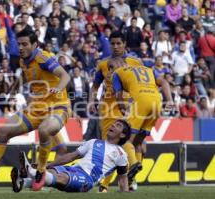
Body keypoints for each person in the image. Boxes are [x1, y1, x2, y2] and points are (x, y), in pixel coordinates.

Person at [0, 29, 70, 191]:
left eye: (25, 44)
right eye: (19, 44)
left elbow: (65, 76)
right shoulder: (23, 61)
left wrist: (59, 89)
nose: (21, 47)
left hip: (58, 108)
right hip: (35, 110)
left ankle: (41, 172)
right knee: (3, 132)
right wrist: (20, 91)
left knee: (45, 130)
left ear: (35, 45)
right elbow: (29, 79)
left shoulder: (43, 58)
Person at [88, 31, 143, 192]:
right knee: (111, 148)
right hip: (108, 109)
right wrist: (91, 101)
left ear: (125, 44)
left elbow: (141, 84)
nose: (116, 46)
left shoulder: (135, 62)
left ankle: (131, 169)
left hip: (127, 107)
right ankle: (112, 182)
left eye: (119, 43)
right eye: (113, 43)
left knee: (126, 143)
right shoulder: (103, 64)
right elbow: (95, 86)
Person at [11, 120, 131, 193]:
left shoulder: (121, 154)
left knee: (61, 177)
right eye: (114, 124)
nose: (113, 125)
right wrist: (47, 165)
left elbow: (123, 177)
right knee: (51, 171)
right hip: (73, 168)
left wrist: (125, 193)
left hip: (87, 179)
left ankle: (30, 171)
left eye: (118, 125)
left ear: (123, 135)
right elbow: (71, 156)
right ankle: (23, 181)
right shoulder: (94, 142)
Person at [112, 56, 174, 189]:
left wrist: (124, 109)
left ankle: (134, 164)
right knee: (138, 142)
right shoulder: (148, 69)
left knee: (124, 139)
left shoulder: (117, 73)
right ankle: (132, 180)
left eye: (111, 67)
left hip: (140, 101)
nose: (111, 70)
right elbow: (164, 82)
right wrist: (170, 100)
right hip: (156, 102)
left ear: (119, 64)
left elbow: (118, 96)